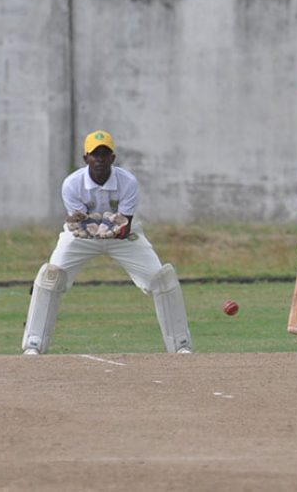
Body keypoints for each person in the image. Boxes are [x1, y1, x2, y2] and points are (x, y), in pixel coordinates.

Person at [21, 130, 193, 355]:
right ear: (86, 158)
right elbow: (81, 224)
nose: (100, 160)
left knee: (161, 278)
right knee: (51, 277)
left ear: (113, 158)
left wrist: (109, 228)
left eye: (105, 154)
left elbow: (124, 226)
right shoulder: (72, 184)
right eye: (95, 155)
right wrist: (97, 226)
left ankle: (181, 346)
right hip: (82, 238)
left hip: (123, 238)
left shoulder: (128, 182)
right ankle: (33, 344)